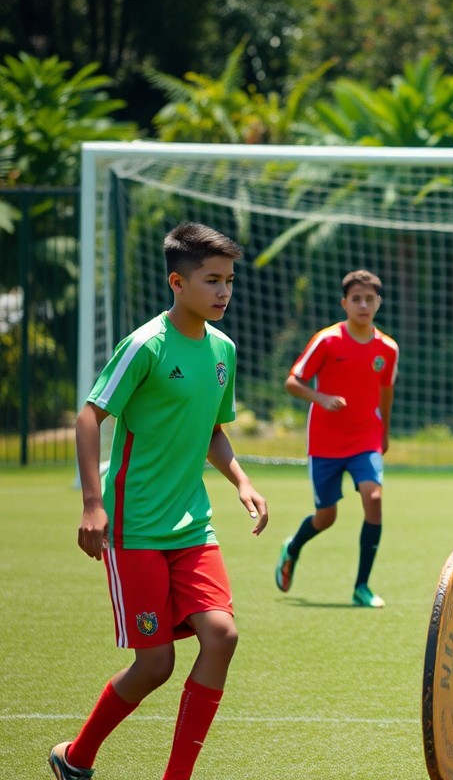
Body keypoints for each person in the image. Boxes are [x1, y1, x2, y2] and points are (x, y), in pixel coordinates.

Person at [51, 223, 268, 780]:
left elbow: (213, 430)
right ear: (177, 282)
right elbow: (89, 416)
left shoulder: (223, 350)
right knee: (155, 665)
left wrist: (241, 480)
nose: (224, 291)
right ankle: (75, 757)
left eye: (229, 280)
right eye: (212, 280)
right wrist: (93, 505)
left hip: (192, 526)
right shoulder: (145, 345)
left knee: (222, 636)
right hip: (136, 527)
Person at [275, 270, 399, 607]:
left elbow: (386, 392)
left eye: (369, 299)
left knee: (374, 498)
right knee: (326, 517)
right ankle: (292, 548)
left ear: (378, 303)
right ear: (344, 303)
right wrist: (321, 398)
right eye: (356, 299)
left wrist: (384, 432)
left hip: (366, 438)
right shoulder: (327, 340)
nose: (363, 305)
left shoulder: (388, 349)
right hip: (325, 443)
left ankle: (362, 587)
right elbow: (292, 382)